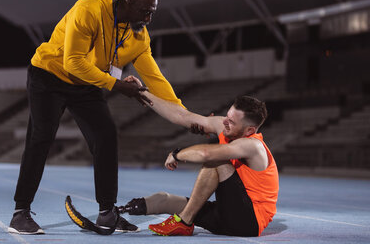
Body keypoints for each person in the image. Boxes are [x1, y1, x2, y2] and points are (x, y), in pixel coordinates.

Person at [8, 0, 185, 235]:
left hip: (86, 83)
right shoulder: (88, 9)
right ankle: (20, 212)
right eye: (144, 11)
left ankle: (107, 213)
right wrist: (115, 85)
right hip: (49, 75)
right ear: (128, 3)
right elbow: (73, 62)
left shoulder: (139, 36)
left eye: (152, 12)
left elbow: (155, 79)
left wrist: (185, 116)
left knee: (106, 136)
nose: (148, 18)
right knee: (41, 137)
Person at [119, 87, 279, 237]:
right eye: (227, 116)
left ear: (250, 130)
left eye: (231, 122)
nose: (224, 122)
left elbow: (206, 154)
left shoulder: (253, 146)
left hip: (248, 221)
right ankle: (119, 210)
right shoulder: (226, 127)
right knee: (164, 200)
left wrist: (177, 154)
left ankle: (184, 222)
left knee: (217, 160)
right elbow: (182, 116)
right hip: (227, 214)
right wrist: (141, 92)